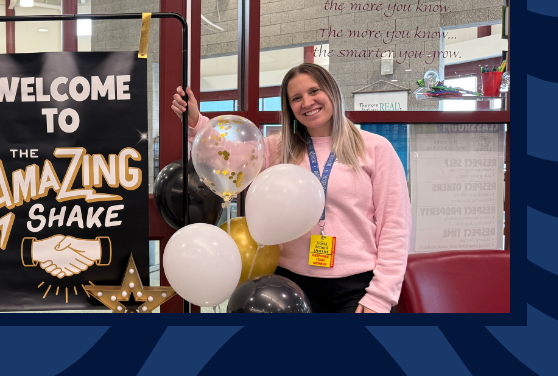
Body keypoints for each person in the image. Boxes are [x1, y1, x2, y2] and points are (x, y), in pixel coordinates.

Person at [172, 63, 410, 313]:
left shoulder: (375, 148)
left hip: (357, 287)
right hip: (289, 285)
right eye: (296, 98)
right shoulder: (277, 148)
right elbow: (229, 157)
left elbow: (395, 225)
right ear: (290, 108)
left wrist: (381, 296)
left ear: (332, 92)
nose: (307, 102)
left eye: (314, 91)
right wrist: (197, 123)